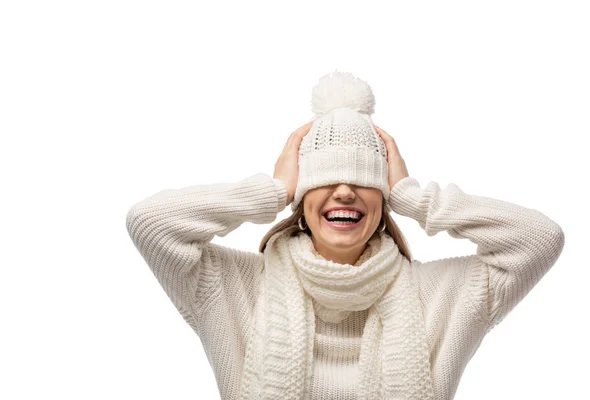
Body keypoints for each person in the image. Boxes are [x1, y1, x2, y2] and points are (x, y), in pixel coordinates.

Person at [125, 71, 565, 400]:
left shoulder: (441, 296)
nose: (345, 190)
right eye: (326, 179)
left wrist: (415, 198)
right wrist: (272, 190)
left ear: (383, 197)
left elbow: (538, 239)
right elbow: (152, 223)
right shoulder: (231, 288)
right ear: (302, 196)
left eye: (363, 180)